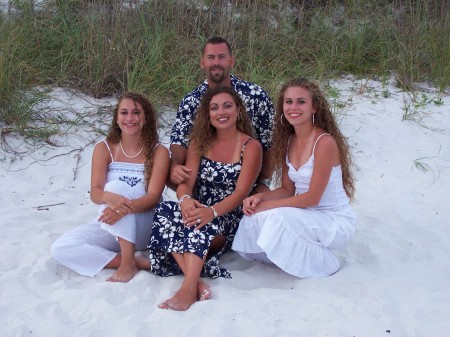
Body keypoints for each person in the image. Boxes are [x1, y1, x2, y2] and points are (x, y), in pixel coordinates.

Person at [148, 86, 262, 310]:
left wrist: (211, 212)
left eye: (227, 106)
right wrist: (185, 201)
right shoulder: (199, 142)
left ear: (238, 110)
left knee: (194, 228)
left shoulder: (251, 146)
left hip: (227, 215)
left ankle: (187, 288)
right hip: (197, 209)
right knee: (163, 211)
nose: (221, 112)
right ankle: (197, 281)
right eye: (215, 107)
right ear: (208, 114)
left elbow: (241, 194)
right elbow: (185, 186)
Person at [232, 78, 357, 278]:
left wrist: (271, 206)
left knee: (278, 218)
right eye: (288, 102)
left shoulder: (324, 143)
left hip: (333, 220)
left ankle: (328, 263)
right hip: (306, 215)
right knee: (252, 216)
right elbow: (287, 190)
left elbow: (312, 198)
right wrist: (260, 199)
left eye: (301, 102)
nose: (293, 107)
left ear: (314, 107)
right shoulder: (288, 140)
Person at [51, 93, 169, 282]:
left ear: (146, 117)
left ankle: (128, 262)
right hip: (113, 218)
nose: (129, 118)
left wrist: (122, 209)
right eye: (124, 112)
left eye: (136, 113)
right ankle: (130, 260)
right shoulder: (104, 148)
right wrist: (110, 200)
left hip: (144, 224)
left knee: (115, 186)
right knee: (61, 247)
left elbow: (153, 197)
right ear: (116, 118)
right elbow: (96, 193)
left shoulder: (159, 151)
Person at [169, 36, 274, 192]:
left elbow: (269, 140)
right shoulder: (191, 101)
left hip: (245, 177)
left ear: (231, 61)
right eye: (211, 57)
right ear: (202, 62)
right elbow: (179, 139)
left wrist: (264, 182)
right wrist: (175, 166)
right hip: (203, 178)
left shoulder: (255, 95)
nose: (216, 62)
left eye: (221, 57)